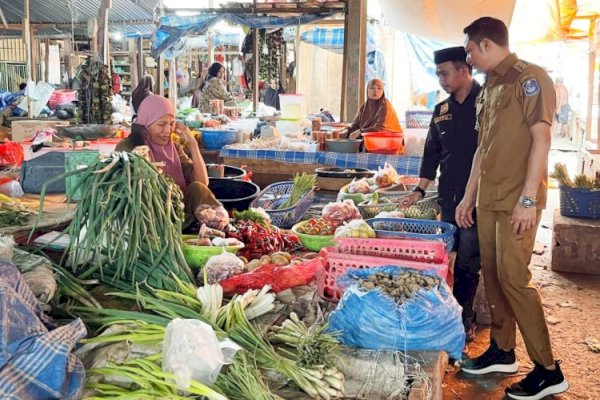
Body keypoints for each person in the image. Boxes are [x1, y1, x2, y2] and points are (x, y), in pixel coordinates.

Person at [456, 17, 568, 399]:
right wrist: (469, 195)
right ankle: (502, 351)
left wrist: (526, 199)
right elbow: (481, 151)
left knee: (516, 281)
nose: (468, 59)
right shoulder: (489, 89)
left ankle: (549, 369)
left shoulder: (530, 78)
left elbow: (542, 139)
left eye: (470, 50)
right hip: (489, 199)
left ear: (486, 44)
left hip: (516, 201)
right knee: (495, 276)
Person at [400, 46, 481, 345]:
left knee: (469, 259)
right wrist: (419, 189)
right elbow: (431, 154)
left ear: (463, 70)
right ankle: (445, 313)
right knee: (447, 254)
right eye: (438, 74)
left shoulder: (486, 103)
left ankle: (465, 317)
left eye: (445, 73)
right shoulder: (442, 110)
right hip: (449, 196)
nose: (441, 80)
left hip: (477, 200)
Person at [115, 95, 220, 229]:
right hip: (150, 216)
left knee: (198, 188)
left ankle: (216, 228)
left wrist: (193, 145)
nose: (168, 130)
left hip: (179, 210)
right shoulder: (128, 147)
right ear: (146, 124)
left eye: (171, 124)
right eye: (161, 124)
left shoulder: (174, 147)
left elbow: (202, 182)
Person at [346, 78, 403, 150]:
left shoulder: (385, 106)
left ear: (383, 91)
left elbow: (379, 128)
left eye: (379, 88)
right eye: (372, 88)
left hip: (389, 146)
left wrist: (360, 131)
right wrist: (346, 131)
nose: (375, 91)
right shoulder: (365, 106)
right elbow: (355, 125)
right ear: (367, 91)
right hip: (371, 145)